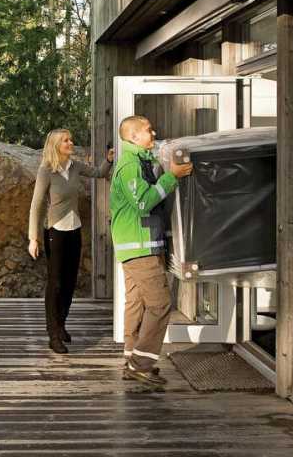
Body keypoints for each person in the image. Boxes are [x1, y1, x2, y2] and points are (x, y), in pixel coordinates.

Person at [111, 115, 192, 387]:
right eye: (148, 130)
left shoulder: (141, 161)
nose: (153, 133)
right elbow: (143, 203)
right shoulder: (129, 165)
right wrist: (172, 177)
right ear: (133, 137)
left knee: (137, 303)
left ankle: (132, 359)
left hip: (139, 245)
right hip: (139, 246)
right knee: (160, 304)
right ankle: (140, 365)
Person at [28, 129, 114, 354]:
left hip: (74, 230)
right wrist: (33, 238)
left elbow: (98, 173)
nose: (70, 142)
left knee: (69, 282)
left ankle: (62, 324)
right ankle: (53, 334)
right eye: (65, 140)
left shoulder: (74, 166)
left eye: (70, 139)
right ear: (56, 145)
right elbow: (36, 205)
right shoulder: (46, 171)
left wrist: (109, 160)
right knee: (55, 283)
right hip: (55, 232)